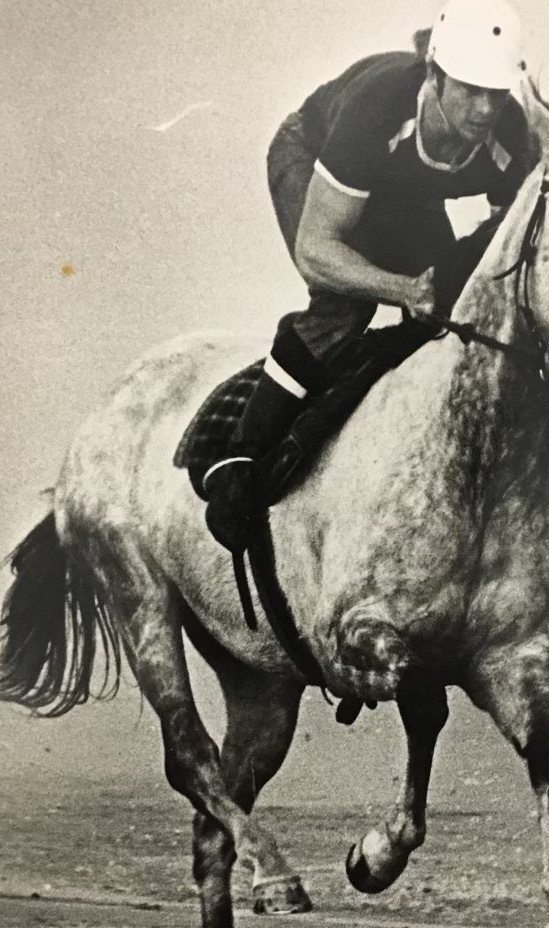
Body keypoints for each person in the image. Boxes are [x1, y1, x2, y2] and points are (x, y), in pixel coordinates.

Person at [203, 0, 531, 552]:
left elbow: (511, 242)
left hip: (400, 188)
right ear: (433, 74)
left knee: (448, 308)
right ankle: (240, 461)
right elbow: (317, 251)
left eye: (496, 94)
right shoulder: (377, 111)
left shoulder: (509, 135)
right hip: (311, 154)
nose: (483, 110)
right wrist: (400, 288)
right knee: (344, 304)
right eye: (470, 90)